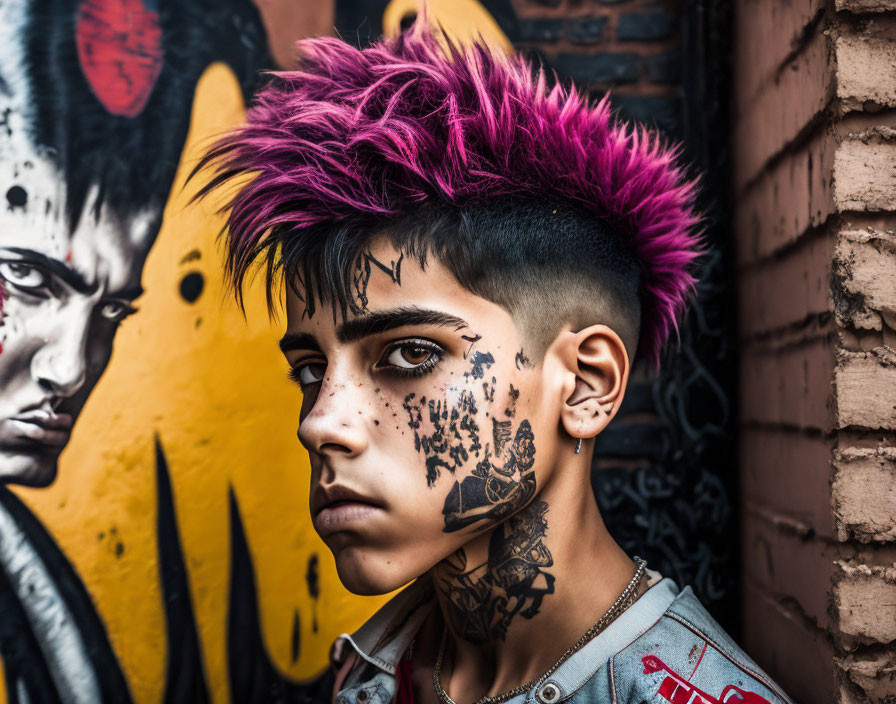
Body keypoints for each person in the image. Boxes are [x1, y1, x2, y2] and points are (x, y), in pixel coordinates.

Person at [198, 20, 793, 704]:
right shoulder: (372, 674)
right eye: (310, 369)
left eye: (410, 354)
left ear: (586, 383)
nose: (321, 424)